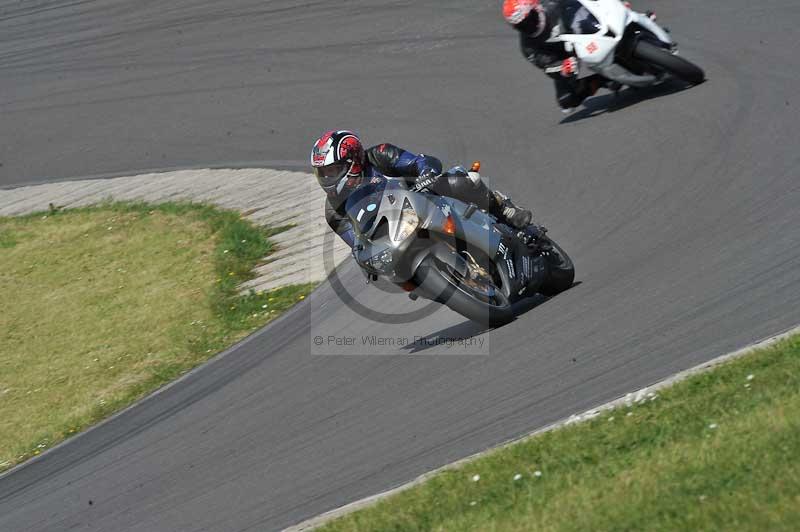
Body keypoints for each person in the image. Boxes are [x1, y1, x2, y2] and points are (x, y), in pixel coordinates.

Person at [310, 130, 533, 248]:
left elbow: (420, 161)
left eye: (333, 170)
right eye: (323, 173)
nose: (327, 177)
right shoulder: (333, 210)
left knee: (460, 178)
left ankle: (503, 209)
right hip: (395, 236)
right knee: (398, 277)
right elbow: (356, 244)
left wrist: (426, 173)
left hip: (425, 200)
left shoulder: (379, 155)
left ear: (353, 160)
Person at [502, 0, 655, 112]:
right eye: (521, 26)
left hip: (584, 29)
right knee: (566, 100)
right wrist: (563, 68)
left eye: (529, 19)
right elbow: (546, 65)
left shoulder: (553, 4)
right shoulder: (528, 46)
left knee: (615, 16)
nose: (528, 26)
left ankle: (639, 19)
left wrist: (616, 6)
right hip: (567, 56)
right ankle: (607, 79)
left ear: (536, 8)